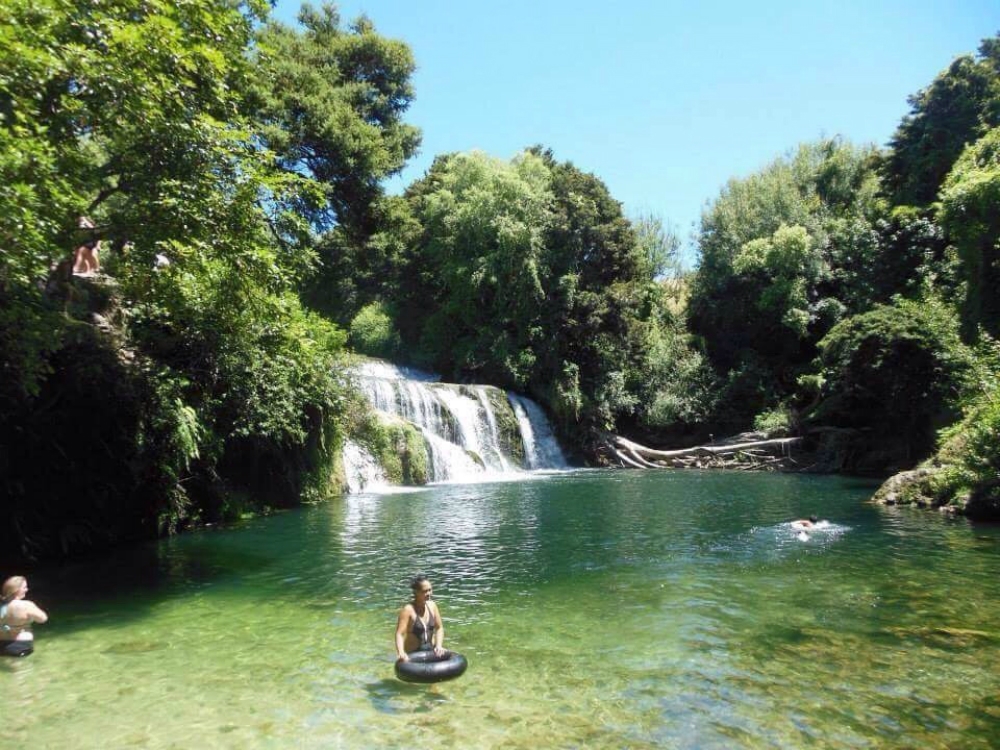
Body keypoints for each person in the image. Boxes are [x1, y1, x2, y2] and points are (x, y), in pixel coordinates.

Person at [394, 574, 445, 662]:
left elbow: (439, 628)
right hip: (413, 655)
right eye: (425, 591)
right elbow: (400, 634)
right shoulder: (408, 610)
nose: (429, 594)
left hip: (430, 652)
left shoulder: (432, 606)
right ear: (416, 592)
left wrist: (438, 645)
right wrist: (401, 652)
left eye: (430, 590)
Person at [1, 576, 48, 657]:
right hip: (21, 644)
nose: (27, 589)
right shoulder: (26, 605)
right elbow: (43, 619)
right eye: (24, 587)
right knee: (24, 669)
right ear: (16, 589)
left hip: (1, 645)